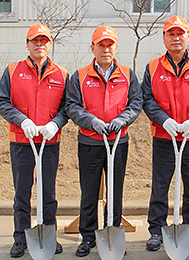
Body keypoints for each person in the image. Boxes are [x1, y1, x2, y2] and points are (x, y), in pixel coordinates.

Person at [64, 25, 143, 257]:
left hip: (118, 141)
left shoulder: (128, 74)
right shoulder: (79, 76)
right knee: (89, 192)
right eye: (101, 45)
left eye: (110, 45)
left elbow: (136, 103)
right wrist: (91, 121)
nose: (106, 49)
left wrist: (122, 119)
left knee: (115, 190)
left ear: (116, 47)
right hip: (90, 141)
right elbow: (72, 105)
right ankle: (87, 237)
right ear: (93, 47)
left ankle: (112, 232)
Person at [142, 15, 189, 252]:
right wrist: (164, 121)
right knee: (160, 185)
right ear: (164, 38)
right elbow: (147, 99)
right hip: (164, 137)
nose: (176, 38)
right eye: (171, 34)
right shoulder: (153, 67)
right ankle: (156, 230)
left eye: (180, 33)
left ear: (188, 36)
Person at [0, 23, 68, 258]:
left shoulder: (61, 73)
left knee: (48, 192)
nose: (39, 44)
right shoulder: (13, 70)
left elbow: (67, 107)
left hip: (49, 140)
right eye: (35, 40)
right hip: (21, 140)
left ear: (49, 44)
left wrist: (55, 123)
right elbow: (2, 101)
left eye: (44, 40)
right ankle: (20, 237)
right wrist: (22, 120)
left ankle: (48, 235)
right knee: (22, 191)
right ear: (27, 44)